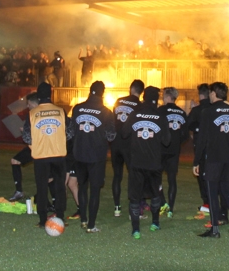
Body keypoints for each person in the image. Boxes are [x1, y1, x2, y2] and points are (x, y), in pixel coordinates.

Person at [22, 82, 74, 230]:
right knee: (59, 187)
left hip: (40, 156)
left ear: (38, 96)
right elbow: (70, 133)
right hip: (58, 155)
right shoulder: (60, 111)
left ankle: (42, 219)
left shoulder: (32, 114)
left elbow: (26, 137)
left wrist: (39, 141)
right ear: (51, 94)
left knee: (42, 187)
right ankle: (60, 217)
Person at [120, 86, 171, 239]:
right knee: (155, 194)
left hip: (136, 162)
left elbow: (124, 133)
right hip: (154, 163)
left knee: (135, 197)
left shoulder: (135, 114)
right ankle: (155, 223)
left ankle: (135, 229)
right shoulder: (160, 116)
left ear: (144, 98)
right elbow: (167, 141)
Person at [193, 82, 229, 238]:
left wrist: (196, 161)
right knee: (226, 190)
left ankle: (214, 230)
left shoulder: (208, 111)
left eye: (210, 93)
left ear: (213, 93)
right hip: (227, 158)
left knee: (212, 192)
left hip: (213, 158)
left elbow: (202, 139)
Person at [69, 81, 116, 233]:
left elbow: (70, 132)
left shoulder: (77, 108)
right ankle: (91, 225)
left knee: (82, 187)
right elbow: (111, 135)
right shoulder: (106, 111)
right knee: (95, 190)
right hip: (96, 156)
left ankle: (83, 220)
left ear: (90, 91)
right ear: (103, 93)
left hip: (79, 153)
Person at [111, 79, 143, 217]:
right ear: (141, 92)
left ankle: (117, 208)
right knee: (133, 176)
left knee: (117, 176)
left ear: (130, 89)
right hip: (129, 144)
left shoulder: (118, 101)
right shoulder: (139, 105)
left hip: (115, 143)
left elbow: (114, 119)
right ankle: (133, 210)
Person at [159, 86, 189, 218]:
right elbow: (186, 134)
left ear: (167, 97)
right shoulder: (182, 113)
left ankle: (162, 202)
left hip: (160, 150)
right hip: (174, 151)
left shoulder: (160, 110)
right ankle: (170, 208)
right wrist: (176, 143)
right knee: (172, 179)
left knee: (156, 178)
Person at [186, 83, 212, 217]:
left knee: (202, 175)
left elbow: (188, 123)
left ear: (200, 95)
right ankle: (214, 203)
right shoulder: (214, 108)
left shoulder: (197, 110)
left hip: (201, 148)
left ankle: (207, 203)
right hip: (215, 148)